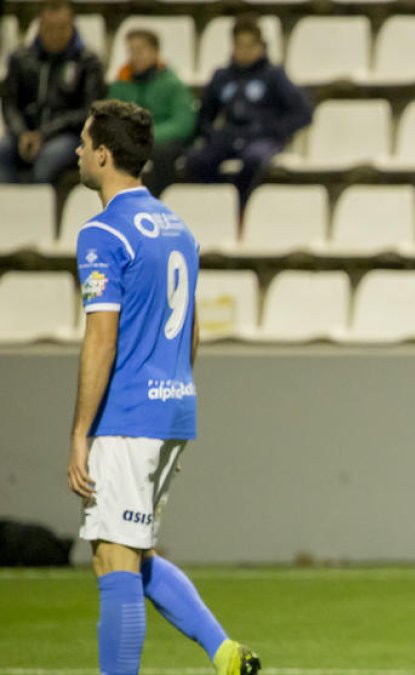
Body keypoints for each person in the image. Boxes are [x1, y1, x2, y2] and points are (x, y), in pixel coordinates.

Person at [66, 99, 260, 675]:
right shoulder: (177, 229)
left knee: (112, 560)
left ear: (103, 155)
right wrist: (174, 394)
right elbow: (193, 329)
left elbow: (101, 340)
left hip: (127, 417)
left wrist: (80, 432)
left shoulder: (102, 233)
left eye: (82, 142)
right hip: (174, 407)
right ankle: (224, 652)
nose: (76, 151)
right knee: (135, 550)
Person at [185, 15, 311, 208]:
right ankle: (219, 206)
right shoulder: (222, 76)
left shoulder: (274, 76)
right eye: (239, 45)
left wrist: (274, 130)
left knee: (253, 159)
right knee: (196, 160)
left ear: (261, 46)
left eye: (249, 46)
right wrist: (214, 134)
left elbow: (302, 113)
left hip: (263, 138)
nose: (244, 52)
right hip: (229, 137)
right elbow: (205, 116)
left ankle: (244, 208)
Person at [0, 0, 105, 184]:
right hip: (25, 133)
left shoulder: (88, 62)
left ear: (72, 26)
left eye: (62, 27)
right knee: (3, 152)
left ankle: (37, 210)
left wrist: (45, 133)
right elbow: (10, 105)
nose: (56, 34)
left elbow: (88, 110)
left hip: (68, 136)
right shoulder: (20, 59)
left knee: (47, 160)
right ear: (39, 26)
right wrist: (22, 133)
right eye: (50, 27)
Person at [108, 29, 196, 196]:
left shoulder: (173, 84)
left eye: (140, 50)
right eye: (131, 50)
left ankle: (158, 202)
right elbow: (110, 119)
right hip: (128, 140)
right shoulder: (121, 85)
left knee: (163, 153)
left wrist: (147, 135)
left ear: (156, 51)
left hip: (161, 140)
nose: (135, 55)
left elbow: (183, 124)